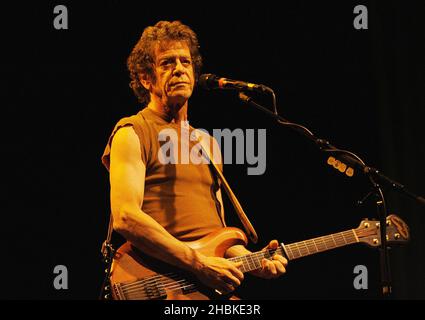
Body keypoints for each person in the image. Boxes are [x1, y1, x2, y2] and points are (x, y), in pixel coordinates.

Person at [101, 20, 287, 298]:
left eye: (185, 62)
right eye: (167, 63)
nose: (179, 69)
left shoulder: (208, 145)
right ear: (145, 78)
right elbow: (126, 217)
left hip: (203, 286)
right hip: (159, 283)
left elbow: (218, 232)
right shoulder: (132, 132)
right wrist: (196, 263)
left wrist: (253, 261)